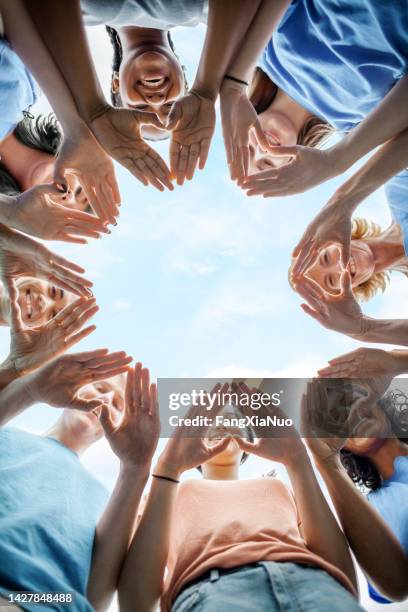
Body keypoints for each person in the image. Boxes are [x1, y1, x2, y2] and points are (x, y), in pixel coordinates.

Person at [118, 382, 361, 612]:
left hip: (314, 586)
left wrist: (298, 460)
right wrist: (168, 468)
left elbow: (341, 575)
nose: (222, 425)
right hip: (213, 591)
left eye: (232, 420)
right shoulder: (168, 491)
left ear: (250, 439)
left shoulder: (278, 487)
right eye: (210, 422)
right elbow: (136, 602)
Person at [0, 360, 159, 612]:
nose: (105, 399)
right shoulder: (7, 434)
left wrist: (135, 468)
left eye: (117, 404)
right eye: (98, 387)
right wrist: (30, 389)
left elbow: (93, 600)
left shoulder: (110, 502)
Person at [303, 380, 408, 604]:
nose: (351, 414)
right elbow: (396, 585)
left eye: (352, 400)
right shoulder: (377, 510)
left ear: (379, 401)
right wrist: (326, 462)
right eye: (336, 418)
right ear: (342, 444)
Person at [290, 217, 408, 302]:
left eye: (326, 258)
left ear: (331, 238)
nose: (340, 268)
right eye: (331, 280)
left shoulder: (399, 192)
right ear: (350, 289)